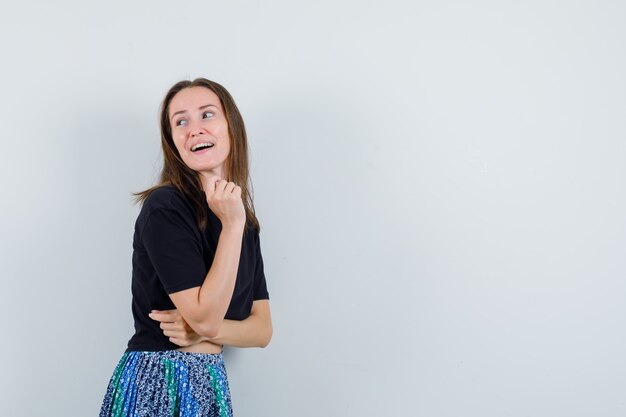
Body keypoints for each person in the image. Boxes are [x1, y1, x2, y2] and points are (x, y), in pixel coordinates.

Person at [99, 78, 272, 417]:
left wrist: (207, 330)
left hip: (209, 380)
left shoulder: (243, 222)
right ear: (174, 142)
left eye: (207, 115)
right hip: (159, 378)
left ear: (231, 126)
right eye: (181, 121)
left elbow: (262, 329)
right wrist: (232, 226)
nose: (194, 129)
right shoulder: (166, 207)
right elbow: (206, 317)